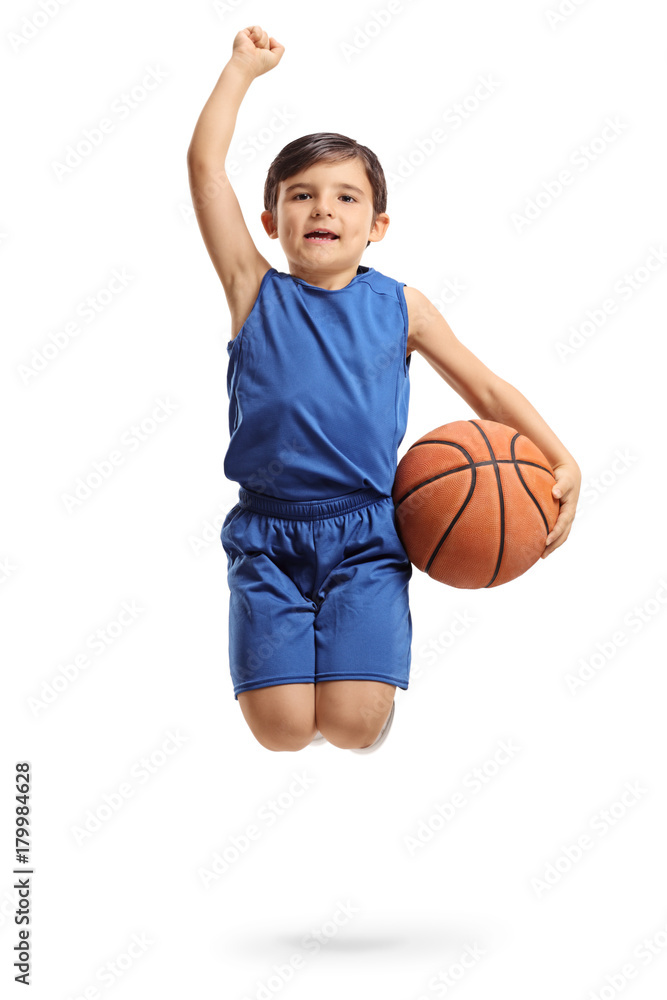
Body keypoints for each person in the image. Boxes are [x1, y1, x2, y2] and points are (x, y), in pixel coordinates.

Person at [187, 25, 582, 755]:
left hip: (367, 533)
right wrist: (241, 71)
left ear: (378, 225)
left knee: (349, 728)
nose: (322, 209)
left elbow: (485, 390)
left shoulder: (401, 307)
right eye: (300, 196)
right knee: (280, 735)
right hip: (266, 534)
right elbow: (205, 167)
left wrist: (563, 458)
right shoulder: (252, 291)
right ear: (271, 221)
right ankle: (301, 648)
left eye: (345, 197)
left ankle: (354, 676)